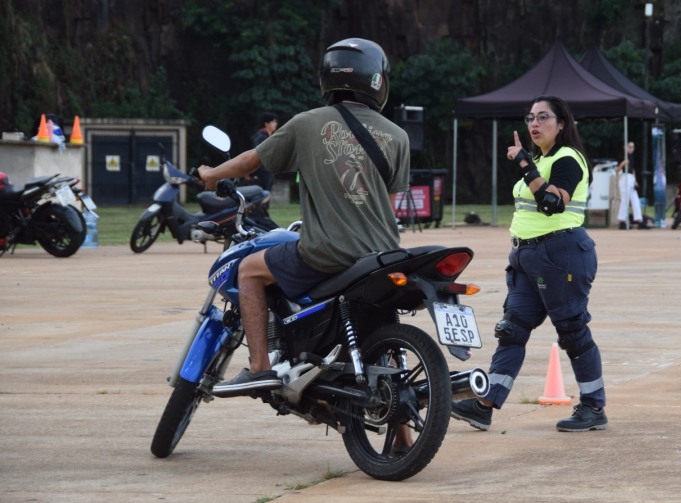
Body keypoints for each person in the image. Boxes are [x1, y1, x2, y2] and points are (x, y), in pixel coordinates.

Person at [197, 38, 410, 396]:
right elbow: (386, 208)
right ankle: (403, 440)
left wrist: (212, 173)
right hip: (381, 256)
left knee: (249, 269)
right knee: (384, 339)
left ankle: (260, 368)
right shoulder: (398, 136)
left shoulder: (307, 124)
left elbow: (252, 160)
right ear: (377, 80)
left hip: (326, 252)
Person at [450, 96, 607, 433]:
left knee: (572, 332)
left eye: (544, 117)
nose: (535, 124)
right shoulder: (539, 161)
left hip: (561, 254)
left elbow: (551, 203)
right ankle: (485, 404)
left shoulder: (568, 159)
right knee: (511, 331)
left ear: (562, 124)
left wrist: (524, 163)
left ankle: (594, 407)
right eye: (531, 118)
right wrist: (529, 163)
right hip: (525, 256)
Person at [615, 141, 645, 229]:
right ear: (626, 147)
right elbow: (617, 169)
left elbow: (633, 169)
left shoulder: (632, 157)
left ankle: (639, 220)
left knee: (635, 200)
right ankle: (622, 220)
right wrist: (622, 164)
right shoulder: (622, 156)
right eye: (629, 146)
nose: (631, 148)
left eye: (632, 147)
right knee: (625, 200)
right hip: (625, 178)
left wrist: (635, 180)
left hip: (631, 178)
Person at [248, 112, 278, 191]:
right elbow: (256, 154)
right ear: (266, 123)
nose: (276, 124)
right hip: (261, 172)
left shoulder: (267, 137)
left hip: (267, 171)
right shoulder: (261, 137)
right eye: (273, 121)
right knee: (262, 196)